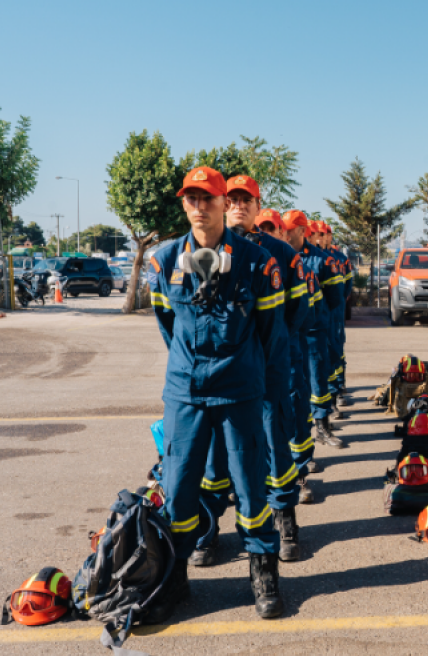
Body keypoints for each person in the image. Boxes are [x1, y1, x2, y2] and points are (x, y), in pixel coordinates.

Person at [146, 167, 287, 620]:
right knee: (180, 487)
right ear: (183, 204)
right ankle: (175, 577)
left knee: (249, 485)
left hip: (239, 390)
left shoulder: (255, 261)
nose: (198, 207)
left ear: (226, 203)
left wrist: (260, 385)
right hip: (185, 392)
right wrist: (191, 368)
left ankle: (263, 573)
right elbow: (169, 325)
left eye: (207, 198)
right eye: (190, 198)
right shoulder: (164, 262)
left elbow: (271, 334)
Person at [189, 180, 309, 566]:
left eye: (247, 200)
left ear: (259, 206)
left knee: (274, 448)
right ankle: (209, 531)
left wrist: (267, 360)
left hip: (268, 371)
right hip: (219, 376)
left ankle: (284, 519)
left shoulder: (280, 253)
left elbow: (292, 316)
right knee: (214, 457)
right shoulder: (203, 250)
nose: (240, 205)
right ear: (225, 204)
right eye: (234, 200)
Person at [281, 210, 324, 503]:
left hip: (298, 344)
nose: (280, 234)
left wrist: (291, 334)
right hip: (257, 357)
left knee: (297, 409)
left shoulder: (312, 263)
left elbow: (317, 306)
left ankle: (299, 473)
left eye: (282, 229)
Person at [291, 219, 345, 448]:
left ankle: (322, 425)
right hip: (291, 333)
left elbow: (335, 296)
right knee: (296, 387)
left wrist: (317, 315)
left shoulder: (321, 259)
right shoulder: (279, 256)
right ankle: (300, 436)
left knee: (317, 379)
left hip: (314, 331)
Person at [320, 222, 352, 416]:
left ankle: (339, 387)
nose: (322, 237)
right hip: (321, 313)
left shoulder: (340, 259)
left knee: (337, 350)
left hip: (335, 311)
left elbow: (347, 284)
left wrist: (339, 302)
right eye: (318, 233)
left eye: (325, 234)